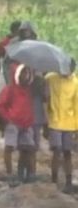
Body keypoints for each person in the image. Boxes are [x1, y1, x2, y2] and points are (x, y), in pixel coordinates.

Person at [0, 63, 35, 186]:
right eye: (23, 73)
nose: (25, 75)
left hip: (25, 124)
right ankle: (10, 174)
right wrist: (8, 118)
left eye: (27, 73)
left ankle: (22, 174)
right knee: (10, 147)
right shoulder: (10, 89)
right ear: (17, 74)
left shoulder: (27, 90)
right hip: (13, 123)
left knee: (27, 148)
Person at [45, 59, 78, 194]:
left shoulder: (75, 83)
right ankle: (54, 180)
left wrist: (77, 127)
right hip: (54, 121)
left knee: (67, 152)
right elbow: (45, 94)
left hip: (69, 123)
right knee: (56, 150)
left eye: (69, 68)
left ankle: (68, 181)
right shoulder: (51, 78)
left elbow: (76, 106)